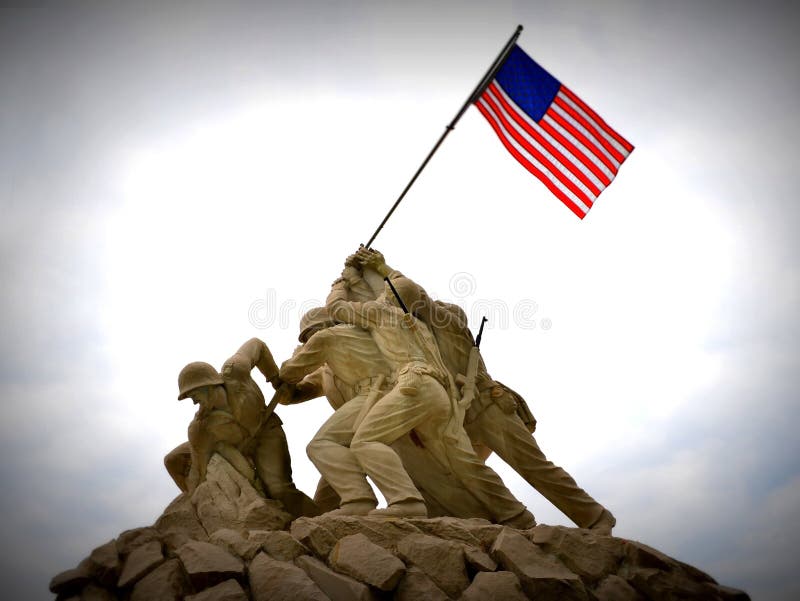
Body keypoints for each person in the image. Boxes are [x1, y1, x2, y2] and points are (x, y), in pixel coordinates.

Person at [357, 248, 616, 534]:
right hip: (458, 413)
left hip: (485, 405)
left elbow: (408, 292)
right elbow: (385, 311)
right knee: (462, 474)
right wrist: (354, 278)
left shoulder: (449, 323)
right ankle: (507, 521)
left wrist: (381, 267)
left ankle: (595, 517)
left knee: (533, 466)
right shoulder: (419, 334)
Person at [326, 256, 535, 527]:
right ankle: (516, 513)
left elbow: (337, 308)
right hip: (440, 394)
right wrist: (375, 270)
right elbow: (409, 291)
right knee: (463, 461)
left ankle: (405, 502)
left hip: (415, 387)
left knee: (364, 441)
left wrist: (341, 283)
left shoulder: (381, 314)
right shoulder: (422, 324)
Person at [279, 307, 495, 520]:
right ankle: (348, 507)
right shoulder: (325, 369)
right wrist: (288, 388)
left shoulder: (339, 338)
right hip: (358, 419)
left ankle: (364, 501)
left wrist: (292, 361)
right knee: (335, 468)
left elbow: (289, 372)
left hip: (380, 396)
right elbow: (293, 394)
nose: (306, 342)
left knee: (325, 444)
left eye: (307, 337)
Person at [163, 338, 319, 518]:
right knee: (173, 460)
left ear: (207, 386)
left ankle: (319, 519)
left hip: (266, 431)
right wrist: (197, 500)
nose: (194, 402)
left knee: (279, 488)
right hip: (237, 449)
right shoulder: (200, 428)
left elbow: (257, 345)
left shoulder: (235, 370)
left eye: (194, 394)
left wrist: (275, 378)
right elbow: (200, 469)